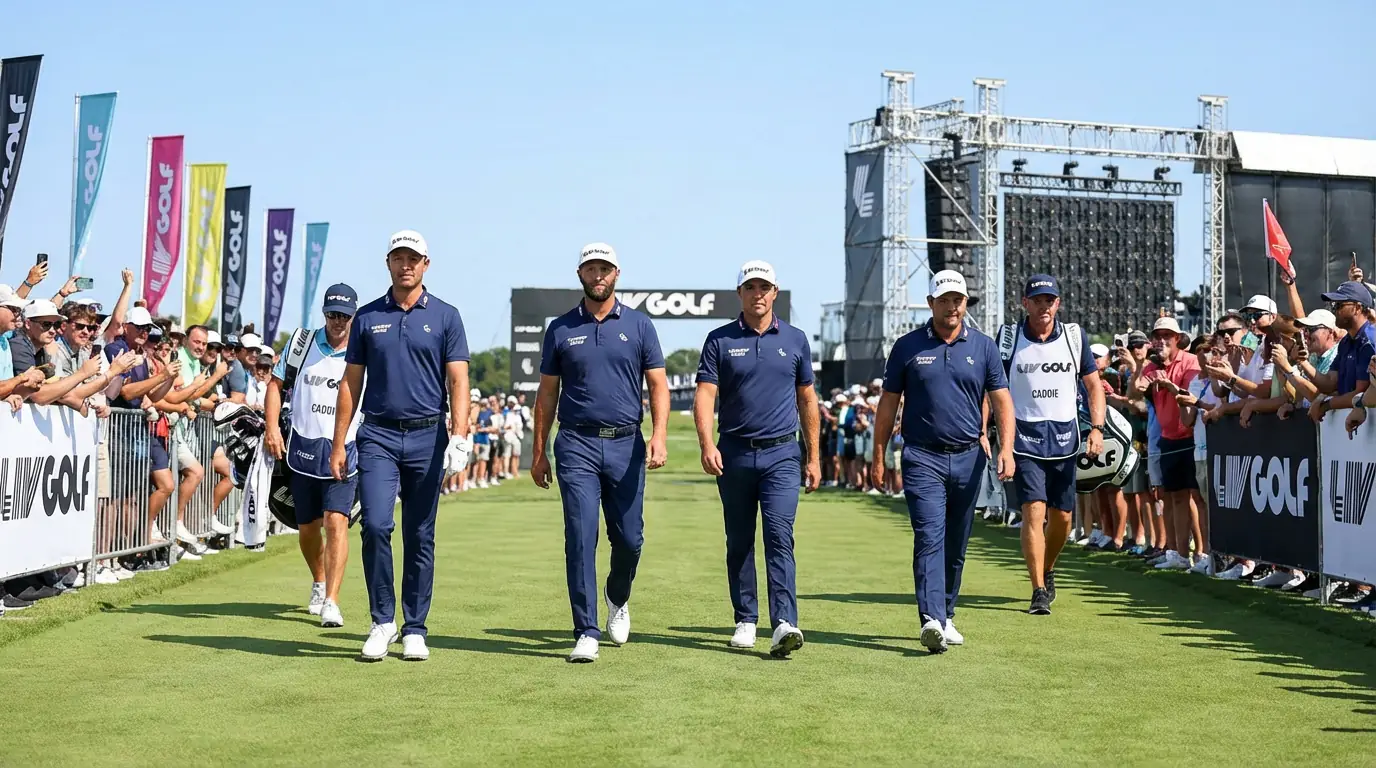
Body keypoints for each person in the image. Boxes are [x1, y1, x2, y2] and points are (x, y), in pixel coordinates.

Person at [332, 231, 472, 663]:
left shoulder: (446, 316)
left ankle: (414, 627)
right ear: (388, 262)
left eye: (413, 258)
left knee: (419, 533)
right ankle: (382, 621)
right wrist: (339, 442)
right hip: (378, 434)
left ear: (426, 264)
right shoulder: (368, 317)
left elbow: (458, 380)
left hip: (428, 436)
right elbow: (351, 383)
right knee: (375, 525)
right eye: (398, 258)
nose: (405, 265)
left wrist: (460, 435)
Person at [530, 242, 669, 663]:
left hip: (627, 443)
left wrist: (659, 435)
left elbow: (658, 385)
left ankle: (617, 595)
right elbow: (547, 394)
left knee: (629, 539)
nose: (598, 275)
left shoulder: (640, 326)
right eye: (591, 268)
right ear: (580, 274)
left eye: (605, 269)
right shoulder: (561, 328)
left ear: (616, 274)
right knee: (580, 534)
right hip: (576, 444)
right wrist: (539, 452)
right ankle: (586, 630)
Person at [872, 270, 1016, 653]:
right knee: (929, 536)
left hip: (969, 457)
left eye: (958, 300)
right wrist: (878, 454)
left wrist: (1006, 448)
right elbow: (888, 405)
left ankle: (947, 613)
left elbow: (1002, 400)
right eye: (944, 300)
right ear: (930, 303)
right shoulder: (907, 346)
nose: (952, 306)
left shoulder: (984, 347)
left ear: (965, 303)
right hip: (922, 457)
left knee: (957, 540)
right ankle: (931, 618)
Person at [693, 260, 819, 657]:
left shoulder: (796, 339)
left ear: (775, 293)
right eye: (750, 288)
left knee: (779, 536)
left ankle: (784, 622)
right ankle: (746, 618)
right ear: (740, 294)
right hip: (733, 452)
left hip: (782, 453)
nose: (758, 294)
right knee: (739, 540)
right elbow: (705, 395)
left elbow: (807, 399)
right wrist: (706, 444)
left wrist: (814, 456)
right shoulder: (719, 340)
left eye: (764, 287)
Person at [999, 274, 1104, 616]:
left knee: (1063, 518)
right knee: (1033, 510)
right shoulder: (1009, 338)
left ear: (1057, 303)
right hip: (1024, 437)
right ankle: (1038, 590)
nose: (1044, 306)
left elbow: (1094, 386)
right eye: (1037, 300)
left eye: (1049, 300)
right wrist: (990, 434)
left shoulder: (1073, 336)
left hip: (1065, 438)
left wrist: (1097, 428)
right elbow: (993, 388)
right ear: (1025, 303)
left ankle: (1047, 567)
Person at [266, 284, 361, 630]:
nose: (338, 321)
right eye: (332, 314)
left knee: (336, 521)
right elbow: (275, 384)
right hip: (302, 449)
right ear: (324, 313)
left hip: (345, 449)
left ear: (353, 316)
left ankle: (332, 600)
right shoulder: (302, 342)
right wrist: (272, 427)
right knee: (307, 528)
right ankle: (319, 580)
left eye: (344, 316)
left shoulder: (363, 349)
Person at [1128, 317, 1203, 572]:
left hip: (1190, 438)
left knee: (1194, 498)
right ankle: (1177, 553)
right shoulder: (1153, 365)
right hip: (1168, 439)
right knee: (1171, 497)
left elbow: (1191, 398)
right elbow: (1136, 391)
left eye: (1167, 336)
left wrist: (1170, 387)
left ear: (1177, 338)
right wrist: (1141, 366)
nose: (1162, 340)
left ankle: (1200, 553)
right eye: (1157, 336)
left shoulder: (1190, 361)